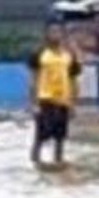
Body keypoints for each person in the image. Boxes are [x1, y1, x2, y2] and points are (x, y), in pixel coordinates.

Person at [28, 21, 82, 167]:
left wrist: (73, 103)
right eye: (52, 32)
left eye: (58, 32)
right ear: (46, 34)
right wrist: (34, 103)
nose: (55, 35)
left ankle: (58, 160)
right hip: (45, 99)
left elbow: (74, 80)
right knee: (41, 134)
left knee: (60, 135)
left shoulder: (69, 55)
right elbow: (33, 79)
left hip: (63, 100)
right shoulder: (39, 54)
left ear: (62, 34)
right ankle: (36, 161)